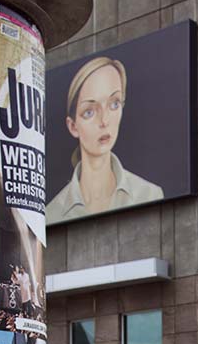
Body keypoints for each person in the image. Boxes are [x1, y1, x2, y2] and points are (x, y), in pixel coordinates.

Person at [46, 56, 164, 224]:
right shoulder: (51, 214)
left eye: (114, 104)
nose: (104, 121)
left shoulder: (149, 194)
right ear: (73, 126)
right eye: (89, 112)